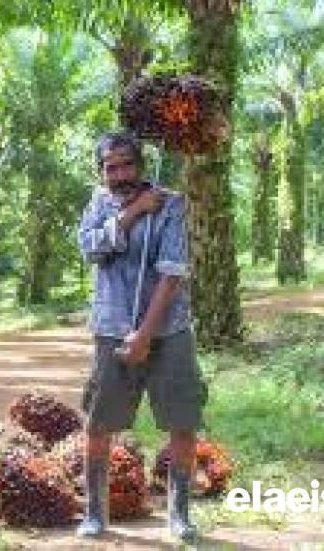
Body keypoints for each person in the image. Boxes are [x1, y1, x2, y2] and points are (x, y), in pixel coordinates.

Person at [76, 131, 207, 542]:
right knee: (100, 423)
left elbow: (171, 275)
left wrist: (146, 336)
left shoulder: (170, 203)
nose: (119, 174)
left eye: (126, 165)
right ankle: (96, 515)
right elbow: (90, 250)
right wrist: (132, 214)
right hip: (111, 327)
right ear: (101, 172)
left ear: (141, 164)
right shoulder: (99, 203)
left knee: (182, 421)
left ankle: (179, 515)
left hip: (168, 329)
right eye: (110, 167)